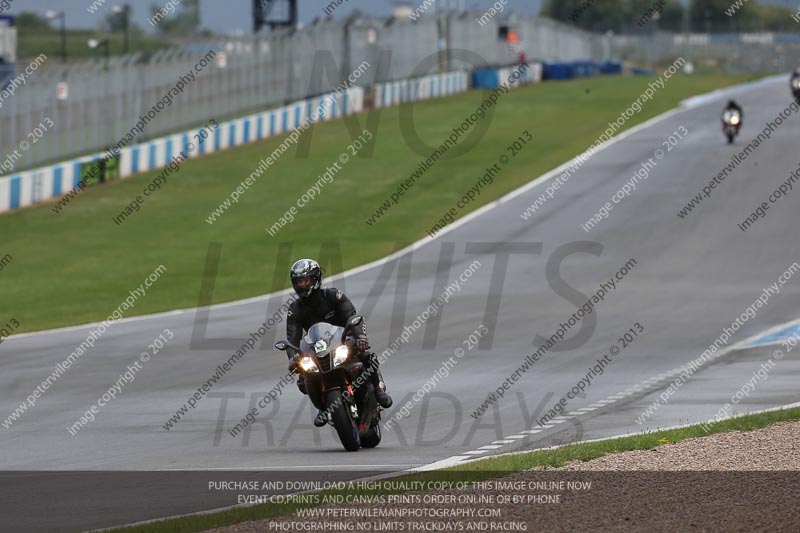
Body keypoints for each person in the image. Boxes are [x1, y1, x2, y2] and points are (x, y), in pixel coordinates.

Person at [285, 258, 393, 427]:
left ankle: (378, 391)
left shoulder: (333, 295)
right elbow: (292, 338)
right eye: (299, 282)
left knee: (366, 354)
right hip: (318, 348)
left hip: (343, 340)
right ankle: (323, 408)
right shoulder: (295, 309)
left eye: (305, 280)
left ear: (315, 279)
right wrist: (293, 358)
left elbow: (351, 315)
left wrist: (360, 337)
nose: (302, 285)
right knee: (303, 377)